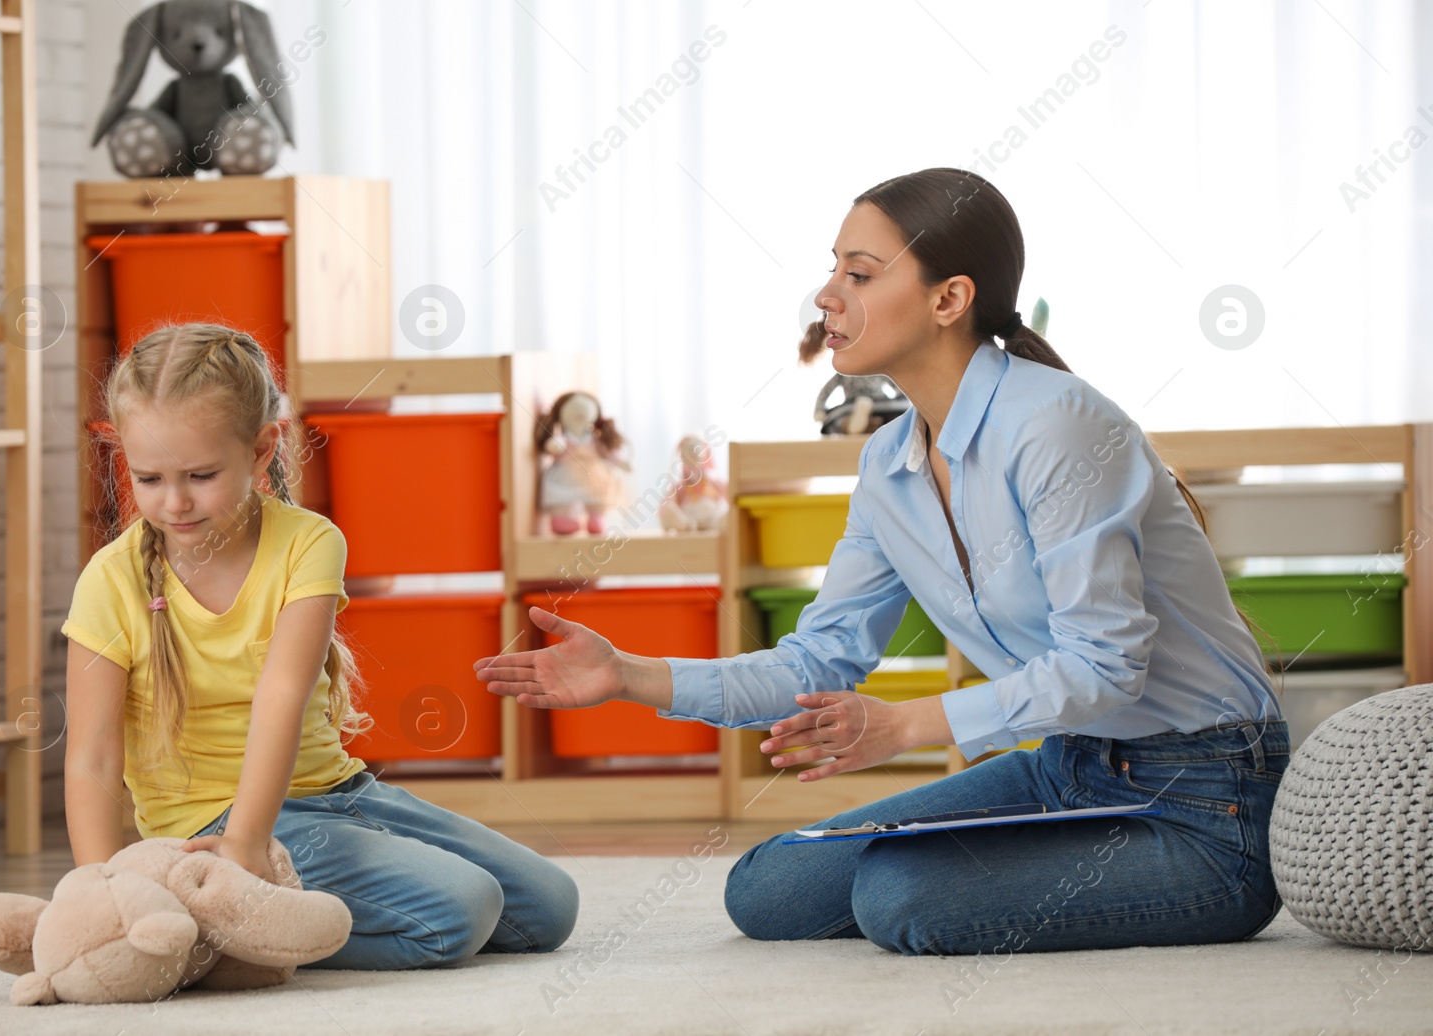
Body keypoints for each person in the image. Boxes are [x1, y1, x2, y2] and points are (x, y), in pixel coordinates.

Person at [474, 168, 1290, 957]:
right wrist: (629, 676)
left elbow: (1104, 667)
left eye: (859, 274)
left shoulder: (1057, 427)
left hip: (1202, 798)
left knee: (899, 895)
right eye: (832, 270)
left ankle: (1204, 882)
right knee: (771, 888)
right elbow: (817, 660)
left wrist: (903, 725)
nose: (827, 296)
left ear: (950, 299)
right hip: (1067, 766)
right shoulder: (891, 463)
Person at [62, 323, 578, 970]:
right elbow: (92, 758)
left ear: (260, 450)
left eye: (199, 474)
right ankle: (214, 929)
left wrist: (254, 840)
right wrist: (107, 898)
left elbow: (284, 693)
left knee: (549, 908)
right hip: (209, 832)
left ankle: (241, 914)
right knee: (461, 912)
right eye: (149, 478)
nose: (174, 502)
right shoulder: (109, 581)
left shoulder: (309, 542)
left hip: (338, 795)